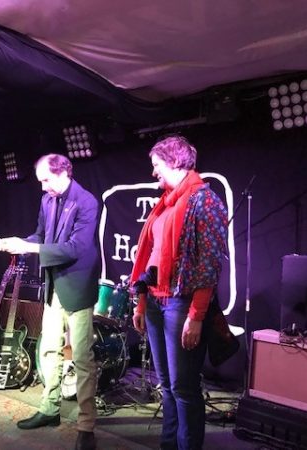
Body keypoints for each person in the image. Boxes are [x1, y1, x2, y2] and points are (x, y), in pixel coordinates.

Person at [130, 136, 228, 450]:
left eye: (157, 164)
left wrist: (196, 316)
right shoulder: (165, 203)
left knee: (184, 388)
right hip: (156, 301)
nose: (153, 172)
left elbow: (209, 264)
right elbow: (151, 257)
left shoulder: (204, 200)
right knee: (167, 386)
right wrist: (141, 302)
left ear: (174, 161)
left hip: (181, 303)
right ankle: (168, 444)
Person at [0, 153, 99, 450]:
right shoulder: (47, 200)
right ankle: (49, 409)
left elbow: (76, 248)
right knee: (49, 349)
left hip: (77, 287)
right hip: (53, 285)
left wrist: (30, 247)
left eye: (46, 180)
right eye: (40, 181)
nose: (43, 187)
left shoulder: (86, 201)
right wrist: (20, 243)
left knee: (82, 358)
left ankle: (86, 426)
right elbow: (41, 236)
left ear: (64, 172)